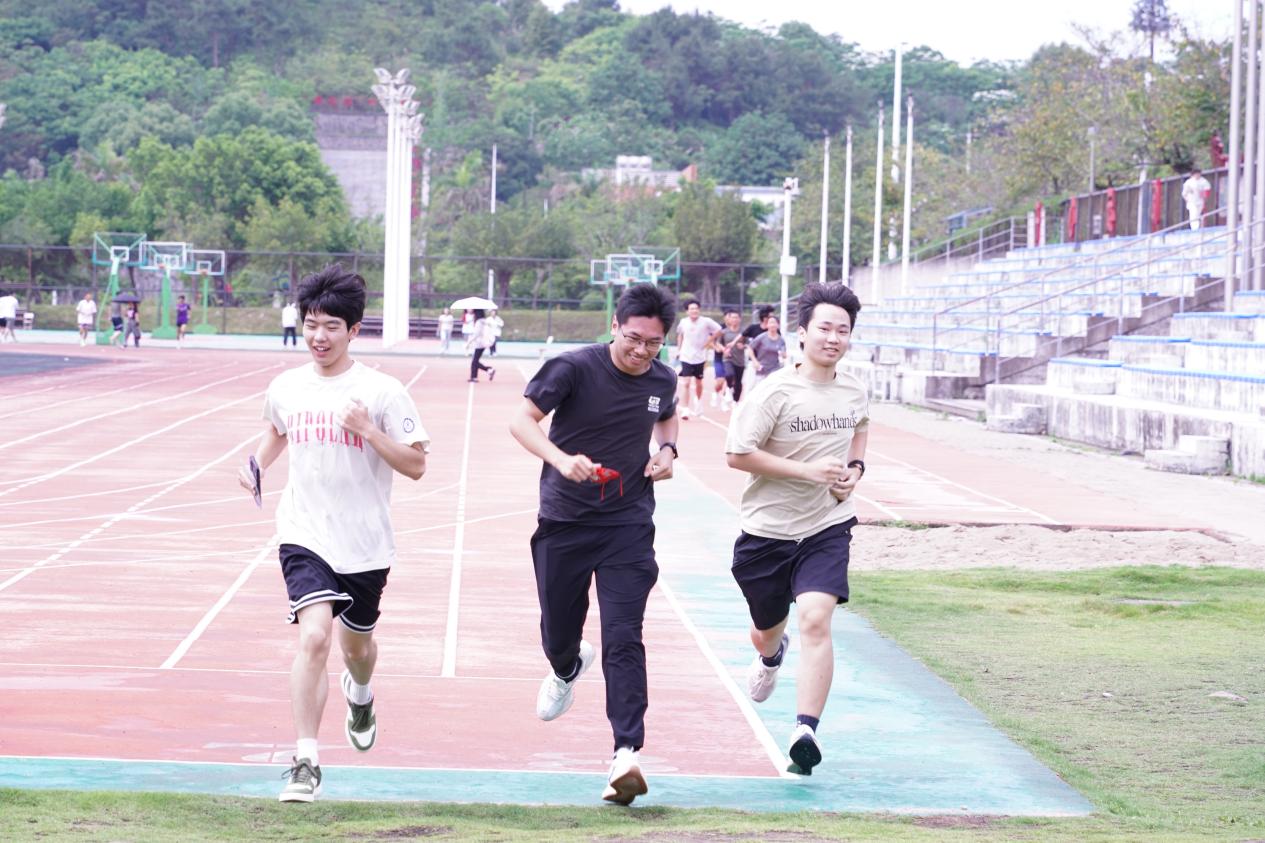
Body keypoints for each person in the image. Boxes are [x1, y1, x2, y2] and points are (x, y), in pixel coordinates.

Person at [237, 264, 429, 803]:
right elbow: (277, 429)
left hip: (364, 542)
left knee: (357, 648)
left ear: (353, 330)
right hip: (303, 531)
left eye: (331, 327)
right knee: (315, 637)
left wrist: (368, 430)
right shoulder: (287, 386)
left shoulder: (382, 392)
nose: (318, 336)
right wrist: (257, 463)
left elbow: (416, 465)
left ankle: (360, 693)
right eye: (311, 324)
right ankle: (305, 761)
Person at [508, 283, 679, 806]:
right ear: (615, 326)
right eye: (634, 338)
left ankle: (626, 753)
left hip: (628, 523)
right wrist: (561, 460)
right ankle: (566, 665)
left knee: (624, 635)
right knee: (559, 630)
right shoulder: (573, 368)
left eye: (653, 343)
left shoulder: (663, 378)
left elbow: (666, 414)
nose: (642, 351)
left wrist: (668, 450)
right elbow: (521, 421)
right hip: (565, 520)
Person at [724, 281, 869, 778]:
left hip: (827, 525)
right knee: (767, 630)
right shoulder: (774, 392)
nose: (833, 338)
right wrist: (807, 472)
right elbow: (736, 454)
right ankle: (770, 657)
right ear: (802, 333)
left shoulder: (854, 389)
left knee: (816, 618)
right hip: (767, 532)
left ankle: (805, 732)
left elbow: (860, 428)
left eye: (842, 330)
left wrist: (855, 469)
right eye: (825, 328)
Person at [674, 300, 720, 419]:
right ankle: (685, 409)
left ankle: (698, 402)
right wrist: (679, 350)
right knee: (686, 383)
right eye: (691, 309)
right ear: (687, 311)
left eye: (696, 308)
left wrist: (709, 341)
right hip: (686, 356)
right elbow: (680, 335)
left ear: (699, 310)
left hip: (700, 356)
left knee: (699, 383)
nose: (694, 311)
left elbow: (719, 330)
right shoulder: (683, 322)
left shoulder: (706, 321)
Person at [718, 309, 747, 408]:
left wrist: (743, 346)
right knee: (729, 374)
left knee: (738, 382)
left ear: (740, 319)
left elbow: (749, 344)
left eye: (736, 317)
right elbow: (718, 343)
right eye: (732, 317)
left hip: (740, 360)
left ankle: (735, 401)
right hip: (728, 358)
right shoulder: (724, 332)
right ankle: (729, 389)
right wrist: (724, 350)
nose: (734, 319)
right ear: (729, 319)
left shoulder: (743, 332)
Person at [747, 315, 786, 381]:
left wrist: (783, 354)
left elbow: (784, 354)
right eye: (770, 323)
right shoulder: (762, 337)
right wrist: (754, 361)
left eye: (774, 322)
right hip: (762, 368)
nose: (772, 325)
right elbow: (750, 347)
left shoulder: (781, 340)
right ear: (767, 325)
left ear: (778, 325)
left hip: (775, 369)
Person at [467, 309, 496, 383]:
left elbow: (476, 334)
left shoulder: (479, 322)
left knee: (474, 361)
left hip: (479, 343)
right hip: (484, 342)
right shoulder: (484, 321)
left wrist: (469, 342)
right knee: (475, 361)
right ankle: (488, 370)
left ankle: (475, 377)